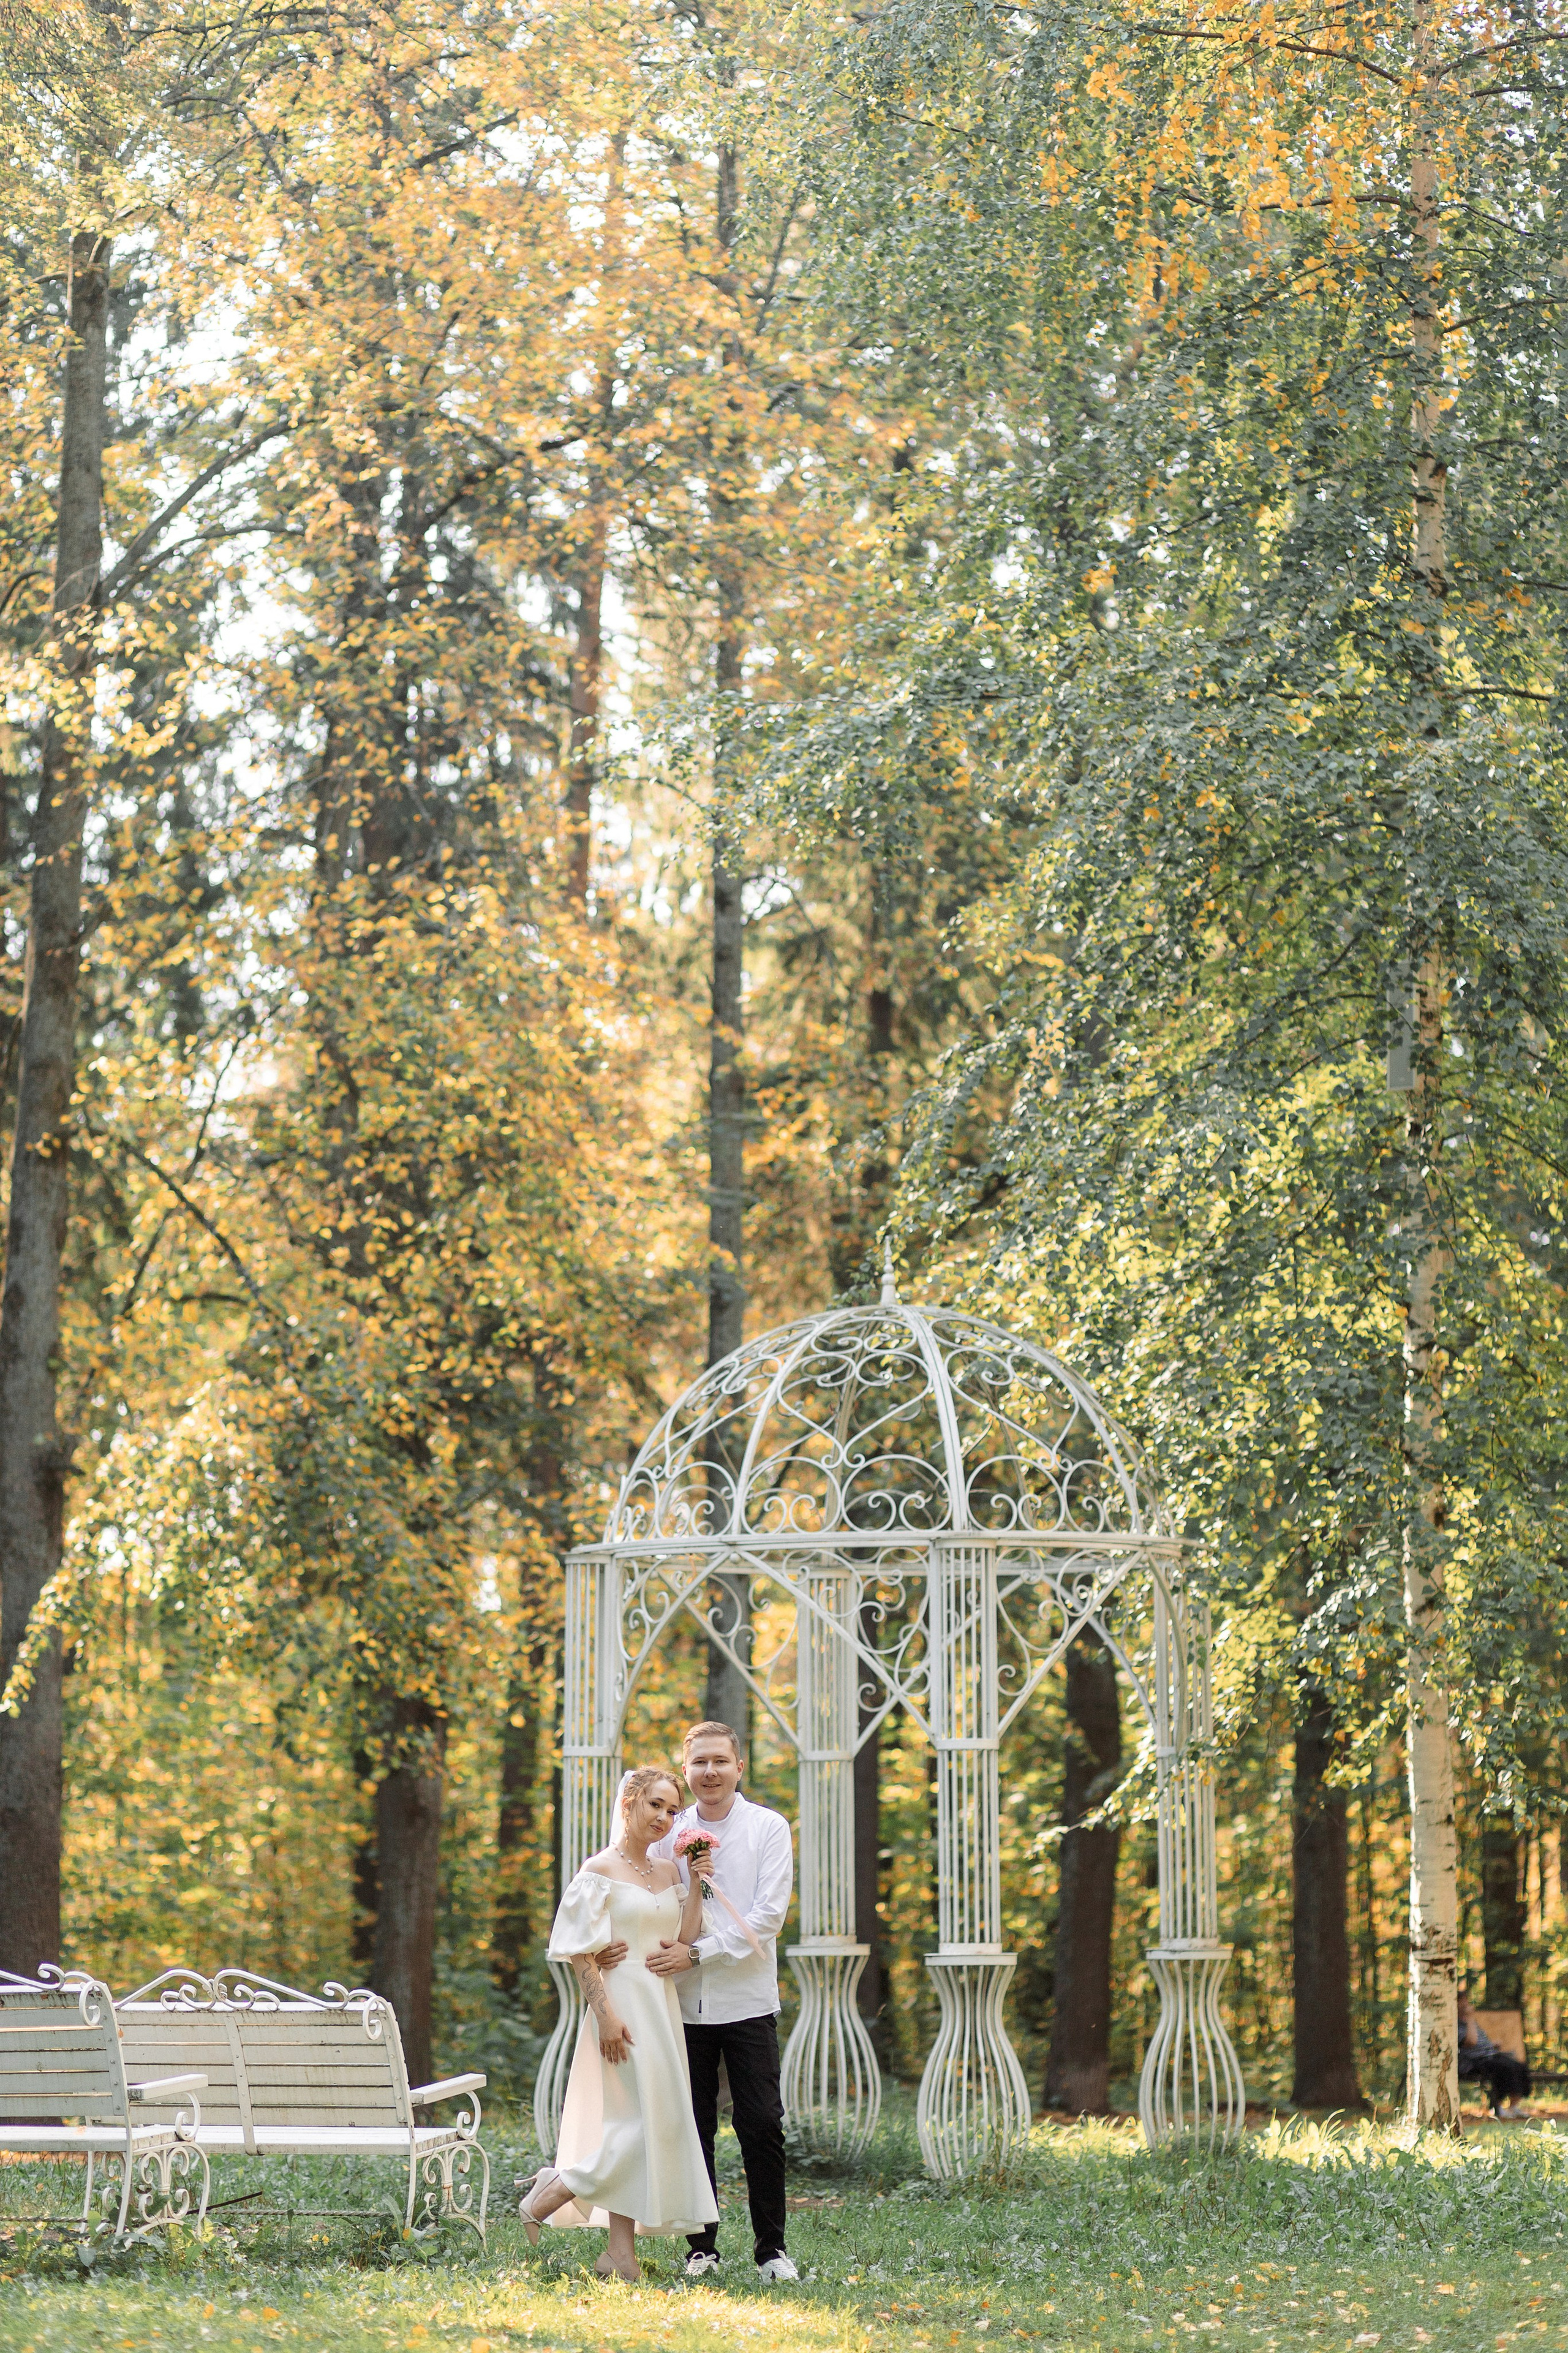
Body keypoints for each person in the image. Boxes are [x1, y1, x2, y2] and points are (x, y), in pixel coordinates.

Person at [517, 1766, 718, 2280]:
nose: (665, 1817)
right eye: (655, 1804)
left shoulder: (669, 1871)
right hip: (620, 2003)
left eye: (673, 1810)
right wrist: (605, 2015)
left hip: (661, 2004)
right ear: (629, 1801)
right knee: (634, 2124)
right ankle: (559, 2186)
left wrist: (696, 1883)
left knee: (656, 2122)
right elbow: (579, 1952)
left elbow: (685, 1937)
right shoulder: (599, 1869)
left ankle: (619, 2254)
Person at [647, 1719, 798, 2284]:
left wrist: (699, 1952)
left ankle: (772, 2249)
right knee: (693, 2124)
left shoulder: (768, 1827)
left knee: (762, 2123)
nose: (710, 1772)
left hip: (748, 1999)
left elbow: (768, 1917)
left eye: (720, 1761)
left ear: (740, 1766)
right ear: (685, 1771)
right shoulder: (668, 1828)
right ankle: (700, 2246)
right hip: (680, 2004)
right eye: (699, 1763)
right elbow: (646, 1895)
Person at [1457, 1985, 1532, 2119]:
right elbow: (1471, 2042)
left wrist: (1492, 2045)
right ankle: (1498, 2106)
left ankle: (1513, 2107)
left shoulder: (1471, 2021)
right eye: (1462, 2001)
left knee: (1520, 2066)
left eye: (1466, 2000)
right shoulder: (1456, 2023)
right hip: (1474, 2062)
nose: (1466, 2004)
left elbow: (1481, 2041)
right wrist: (1469, 2019)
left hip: (1490, 2055)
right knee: (1504, 2068)